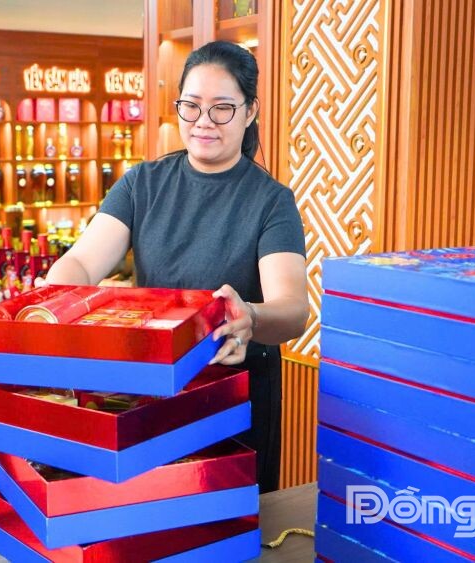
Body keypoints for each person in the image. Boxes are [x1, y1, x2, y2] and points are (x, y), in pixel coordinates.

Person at [46, 41, 308, 493]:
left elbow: (293, 308)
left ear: (250, 112)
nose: (203, 121)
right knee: (153, 510)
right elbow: (83, 262)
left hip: (234, 398)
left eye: (222, 108)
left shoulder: (270, 201)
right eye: (191, 105)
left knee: (229, 522)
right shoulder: (142, 184)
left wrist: (250, 315)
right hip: (151, 389)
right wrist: (57, 296)